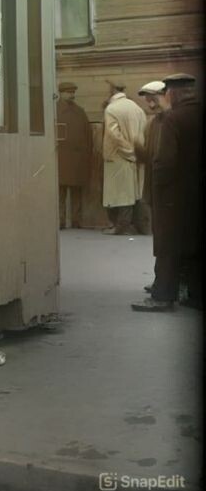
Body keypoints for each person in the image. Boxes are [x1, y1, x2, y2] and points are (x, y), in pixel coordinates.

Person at [132, 73, 202, 312]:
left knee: (168, 247)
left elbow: (164, 162)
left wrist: (158, 189)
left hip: (173, 196)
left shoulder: (173, 119)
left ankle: (162, 296)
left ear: (171, 93)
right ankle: (195, 296)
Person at [101, 81, 146, 235]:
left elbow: (114, 135)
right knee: (131, 193)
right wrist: (137, 154)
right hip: (136, 157)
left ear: (112, 92)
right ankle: (133, 226)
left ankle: (120, 227)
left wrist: (128, 152)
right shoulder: (137, 108)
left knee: (117, 195)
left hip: (118, 157)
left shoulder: (111, 109)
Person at [55, 82, 93, 229]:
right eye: (68, 92)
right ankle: (60, 220)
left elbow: (88, 136)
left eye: (72, 92)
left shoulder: (80, 112)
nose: (71, 95)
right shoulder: (54, 111)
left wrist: (87, 154)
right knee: (60, 192)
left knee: (77, 192)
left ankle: (77, 220)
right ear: (61, 93)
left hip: (77, 159)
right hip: (61, 158)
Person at [133, 82, 166, 245]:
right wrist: (138, 150)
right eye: (148, 101)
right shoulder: (152, 124)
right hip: (155, 184)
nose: (151, 105)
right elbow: (148, 155)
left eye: (153, 99)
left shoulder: (174, 121)